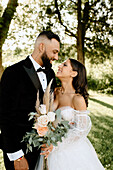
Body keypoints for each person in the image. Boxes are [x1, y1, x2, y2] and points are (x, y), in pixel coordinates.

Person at [0, 31, 60, 170]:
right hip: (20, 150)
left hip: (43, 150)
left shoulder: (50, 73)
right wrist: (17, 156)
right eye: (54, 52)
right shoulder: (13, 73)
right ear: (41, 47)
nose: (56, 57)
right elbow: (4, 116)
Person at [35, 58, 105, 170]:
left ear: (74, 73)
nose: (59, 66)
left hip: (69, 151)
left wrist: (56, 145)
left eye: (65, 65)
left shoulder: (77, 99)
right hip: (48, 147)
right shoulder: (54, 92)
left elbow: (80, 131)